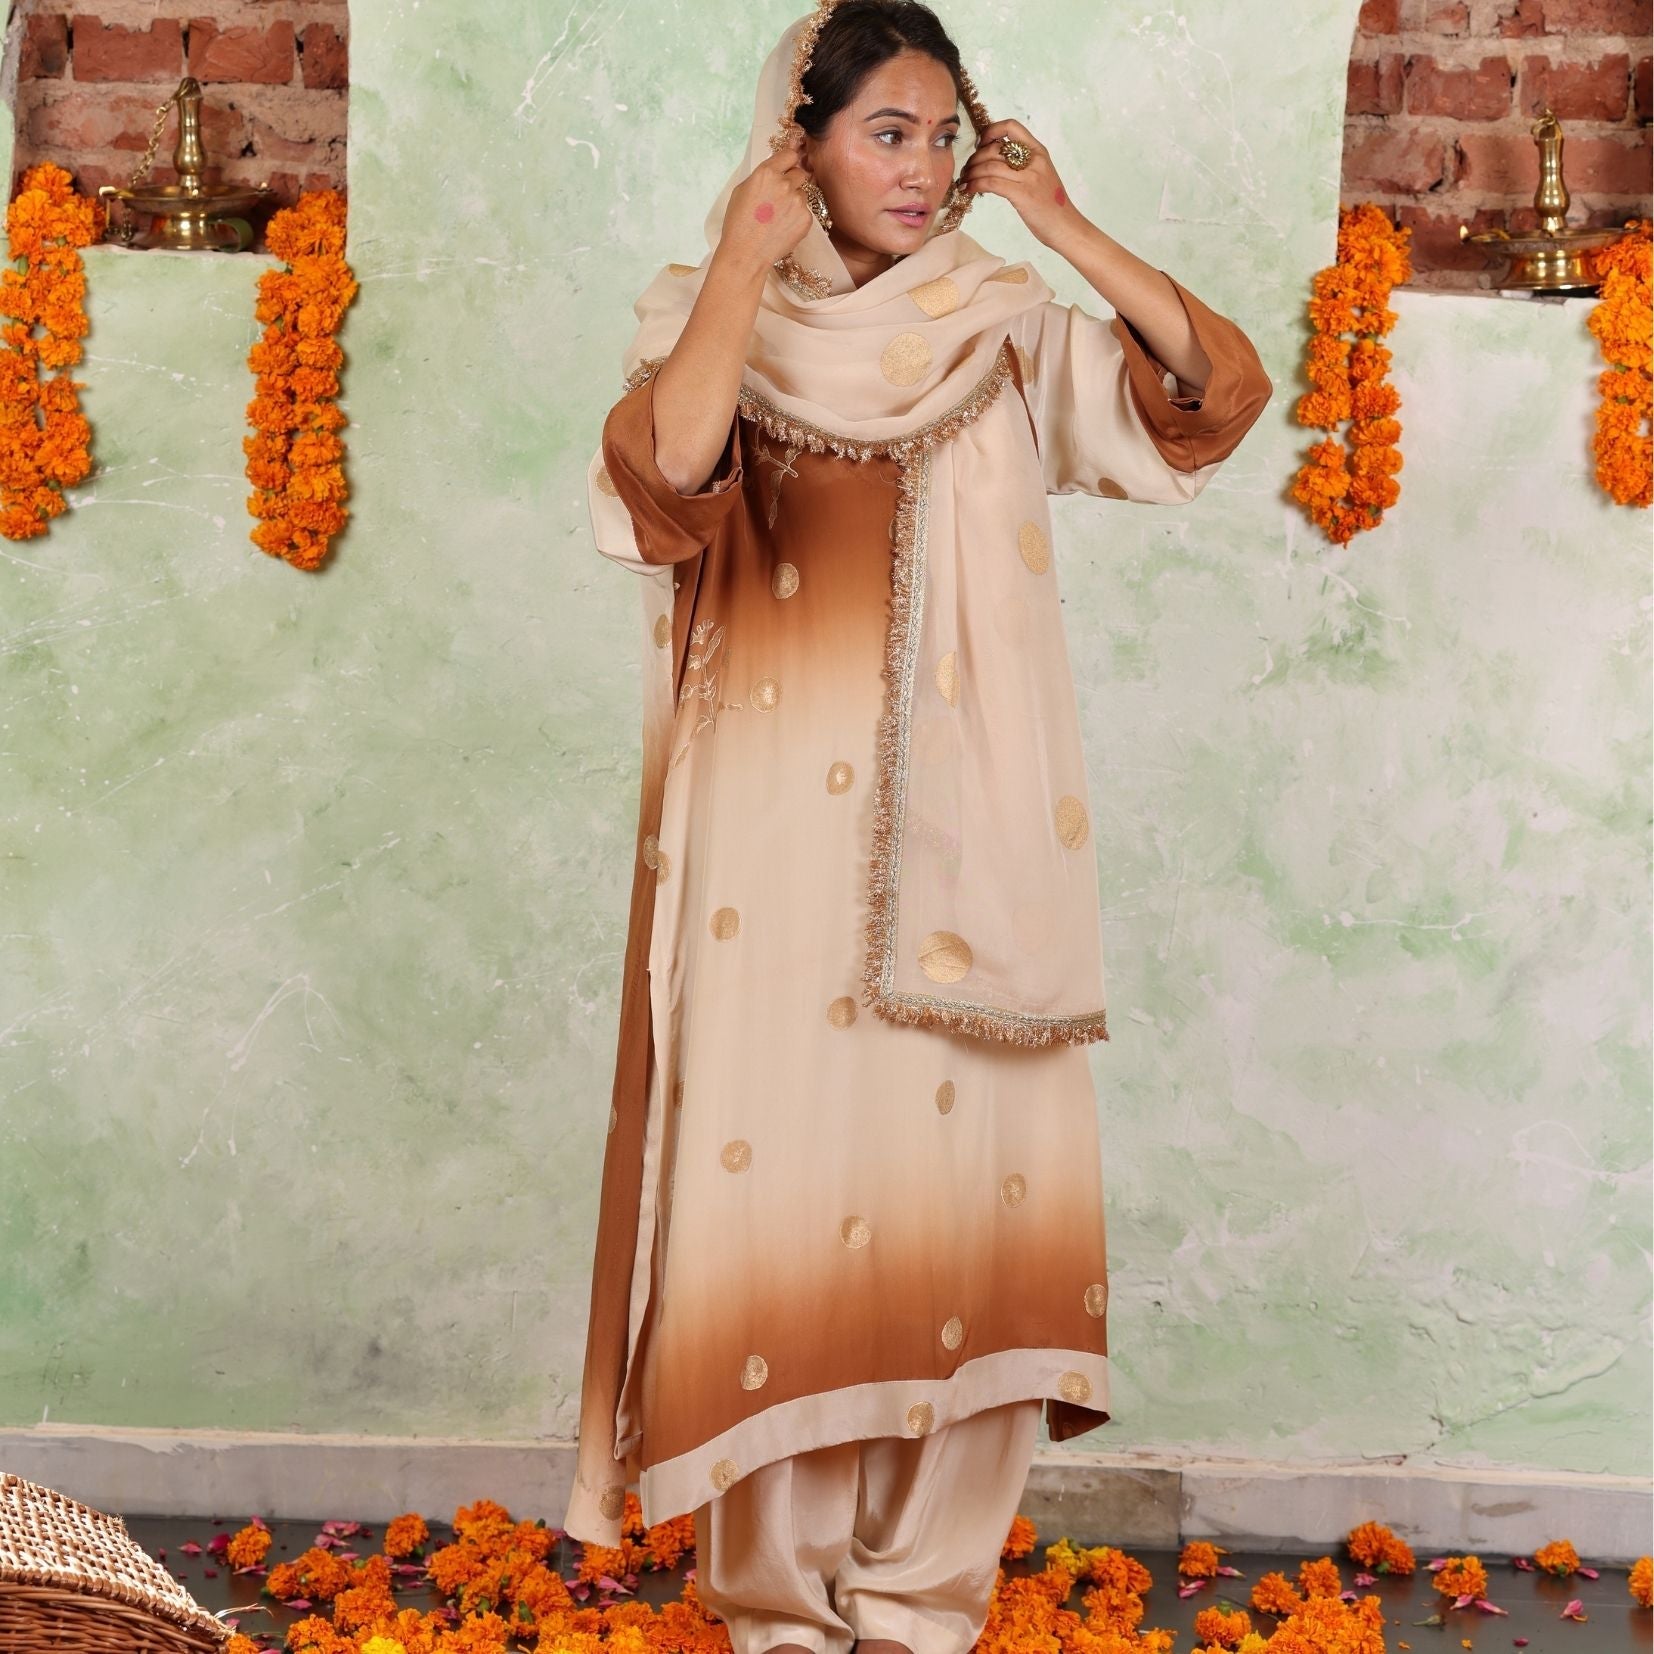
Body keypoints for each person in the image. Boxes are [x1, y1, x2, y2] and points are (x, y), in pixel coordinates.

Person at [566, 3, 1273, 1650]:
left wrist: (1060, 218)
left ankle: (921, 1598)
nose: (923, 162)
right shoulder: (703, 328)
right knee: (777, 1203)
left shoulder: (1005, 324)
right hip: (770, 854)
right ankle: (777, 1611)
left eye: (943, 131)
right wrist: (741, 266)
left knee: (973, 1196)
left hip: (986, 854)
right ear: (796, 145)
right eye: (886, 127)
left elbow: (1211, 396)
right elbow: (660, 490)